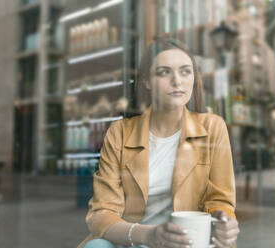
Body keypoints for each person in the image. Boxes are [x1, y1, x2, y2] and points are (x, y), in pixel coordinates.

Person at [78, 39, 239, 248]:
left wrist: (224, 221)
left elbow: (220, 201)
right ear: (146, 81)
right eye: (164, 72)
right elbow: (101, 214)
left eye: (185, 71)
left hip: (185, 242)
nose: (177, 81)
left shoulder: (212, 127)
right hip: (134, 238)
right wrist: (149, 235)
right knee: (96, 246)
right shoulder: (120, 133)